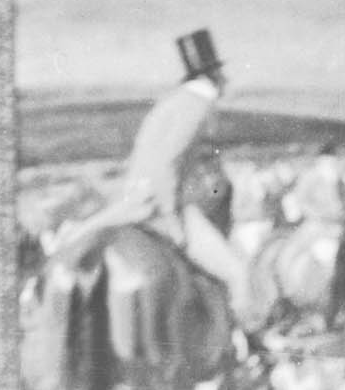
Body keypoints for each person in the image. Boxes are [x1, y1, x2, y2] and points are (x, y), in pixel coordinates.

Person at [67, 28, 260, 326]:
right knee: (238, 272)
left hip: (134, 198)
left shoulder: (172, 102)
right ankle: (245, 337)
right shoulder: (197, 107)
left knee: (83, 232)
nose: (226, 80)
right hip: (159, 204)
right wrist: (171, 217)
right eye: (221, 74)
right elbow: (170, 162)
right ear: (212, 77)